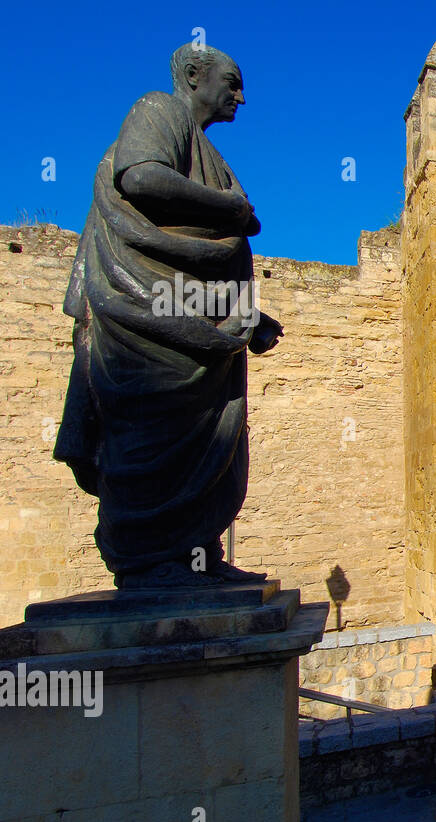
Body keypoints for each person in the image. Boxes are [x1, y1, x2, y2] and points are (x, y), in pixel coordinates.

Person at [53, 43, 282, 589]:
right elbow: (140, 179)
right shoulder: (158, 109)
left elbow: (206, 261)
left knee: (206, 443)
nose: (240, 97)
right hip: (147, 318)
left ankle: (194, 557)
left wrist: (249, 317)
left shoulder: (209, 152)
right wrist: (227, 207)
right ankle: (149, 564)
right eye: (231, 82)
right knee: (152, 428)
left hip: (196, 326)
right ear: (192, 75)